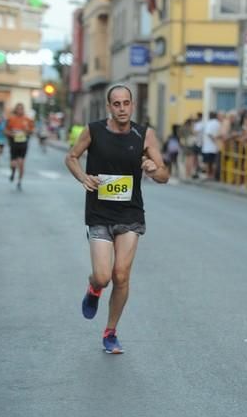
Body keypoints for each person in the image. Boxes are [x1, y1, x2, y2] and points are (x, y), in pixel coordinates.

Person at [64, 84, 169, 354]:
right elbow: (72, 157)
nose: (122, 108)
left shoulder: (144, 135)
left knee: (121, 275)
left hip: (130, 213)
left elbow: (164, 175)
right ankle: (94, 287)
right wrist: (83, 177)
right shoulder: (94, 130)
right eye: (117, 104)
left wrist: (153, 168)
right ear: (109, 107)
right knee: (103, 276)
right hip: (99, 213)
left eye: (126, 103)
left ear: (132, 105)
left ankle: (110, 331)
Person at [5, 103, 34, 191]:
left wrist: (26, 130)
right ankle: (13, 172)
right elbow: (6, 131)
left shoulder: (28, 120)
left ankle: (19, 182)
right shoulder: (11, 119)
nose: (20, 110)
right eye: (18, 109)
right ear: (16, 110)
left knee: (21, 164)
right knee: (13, 163)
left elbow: (32, 131)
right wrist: (12, 134)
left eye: (22, 109)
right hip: (13, 143)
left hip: (23, 143)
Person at [202, 112, 220, 180]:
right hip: (215, 147)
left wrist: (214, 140)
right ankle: (213, 175)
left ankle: (208, 175)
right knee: (214, 162)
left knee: (207, 162)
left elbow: (208, 133)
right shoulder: (218, 123)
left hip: (208, 147)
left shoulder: (209, 123)